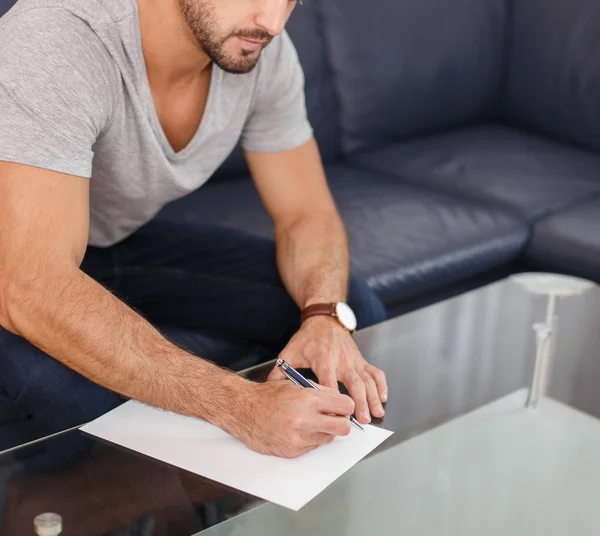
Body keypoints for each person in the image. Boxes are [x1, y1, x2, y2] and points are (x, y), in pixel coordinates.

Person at [0, 0, 388, 458]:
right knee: (98, 402)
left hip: (103, 245)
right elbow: (30, 286)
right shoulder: (58, 37)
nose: (274, 23)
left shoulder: (258, 48)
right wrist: (240, 404)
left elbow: (306, 214)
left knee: (348, 306)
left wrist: (323, 314)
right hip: (16, 266)